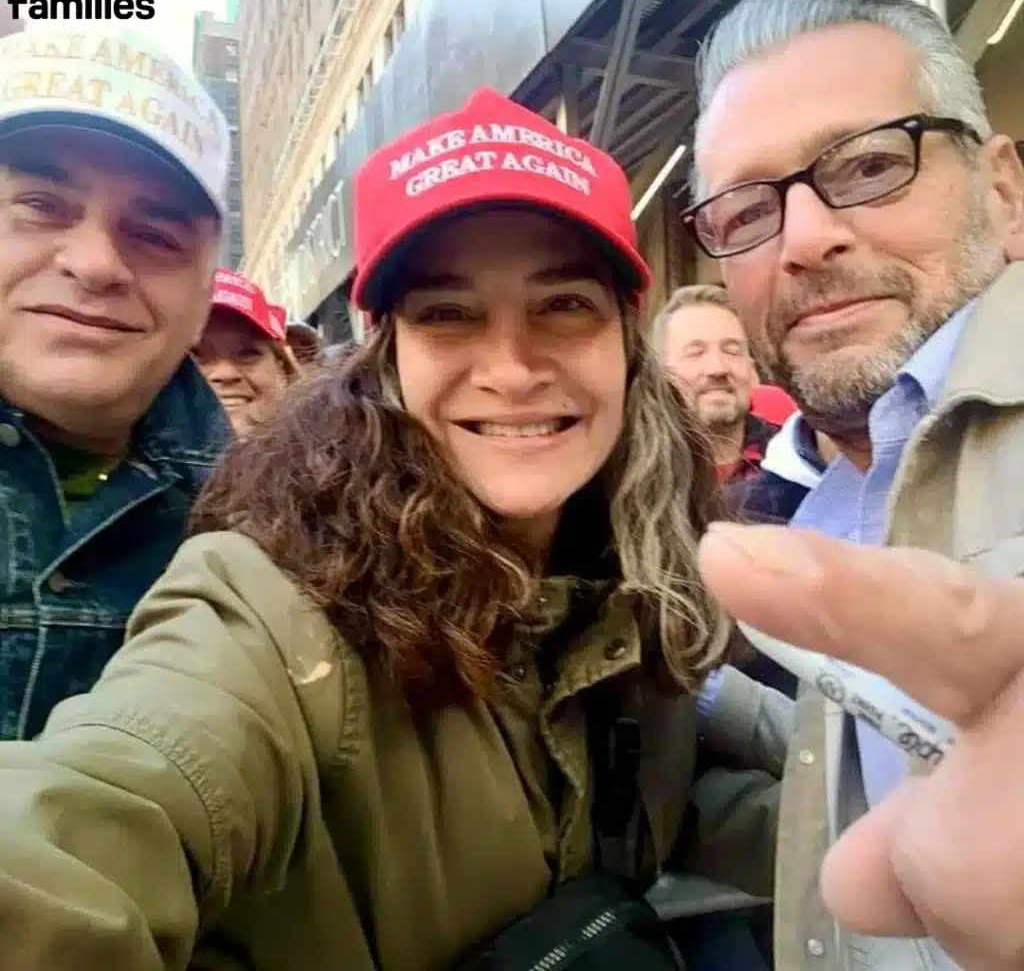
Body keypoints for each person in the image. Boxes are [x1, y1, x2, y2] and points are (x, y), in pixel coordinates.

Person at [0, 87, 786, 970]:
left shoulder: (637, 590)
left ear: (625, 346)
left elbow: (658, 802)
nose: (513, 367)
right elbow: (104, 812)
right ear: (387, 361)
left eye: (564, 304)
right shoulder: (271, 610)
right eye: (447, 314)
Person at [684, 0, 1024, 970]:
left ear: (1003, 190)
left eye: (871, 164)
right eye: (746, 209)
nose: (803, 239)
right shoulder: (807, 506)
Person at [0, 26, 230, 739]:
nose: (98, 263)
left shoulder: (287, 541)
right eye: (41, 205)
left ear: (203, 297)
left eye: (155, 236)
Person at [652, 284, 777, 482]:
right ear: (659, 373)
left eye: (731, 351)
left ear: (751, 368)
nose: (717, 369)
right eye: (695, 353)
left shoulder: (800, 461)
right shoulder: (631, 472)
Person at [193, 268, 300, 438]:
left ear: (284, 370)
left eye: (249, 354)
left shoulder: (338, 458)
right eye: (196, 356)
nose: (225, 374)